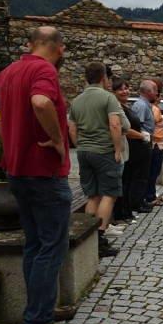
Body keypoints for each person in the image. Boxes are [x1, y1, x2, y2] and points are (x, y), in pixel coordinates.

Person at [0, 26, 76, 324]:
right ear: (60, 48)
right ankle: (38, 320)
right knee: (51, 246)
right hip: (43, 173)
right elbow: (41, 102)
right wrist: (57, 139)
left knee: (35, 244)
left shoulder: (11, 71)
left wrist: (6, 134)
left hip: (17, 171)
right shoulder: (44, 70)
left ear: (31, 44)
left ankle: (41, 308)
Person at [68, 62, 124, 257]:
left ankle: (89, 236)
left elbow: (72, 128)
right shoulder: (108, 98)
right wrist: (117, 149)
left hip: (84, 151)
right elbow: (115, 124)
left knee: (92, 195)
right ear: (103, 78)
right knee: (109, 194)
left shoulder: (77, 100)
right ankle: (99, 238)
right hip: (103, 150)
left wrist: (80, 146)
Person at [112, 78, 152, 222]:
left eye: (126, 88)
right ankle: (122, 213)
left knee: (130, 181)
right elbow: (125, 129)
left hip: (134, 149)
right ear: (114, 92)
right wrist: (142, 135)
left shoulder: (126, 106)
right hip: (128, 147)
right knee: (125, 182)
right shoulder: (117, 108)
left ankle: (127, 210)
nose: (125, 91)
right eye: (121, 89)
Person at [130, 80, 158, 210]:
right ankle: (137, 203)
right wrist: (145, 138)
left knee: (144, 174)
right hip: (141, 143)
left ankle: (140, 200)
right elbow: (138, 126)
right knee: (140, 174)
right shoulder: (141, 105)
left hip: (145, 142)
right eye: (155, 90)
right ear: (148, 91)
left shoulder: (145, 104)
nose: (157, 93)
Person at [146, 78, 163, 206]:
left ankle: (152, 194)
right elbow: (151, 126)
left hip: (158, 143)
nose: (160, 98)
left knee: (154, 172)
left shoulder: (154, 108)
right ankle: (150, 196)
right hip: (155, 144)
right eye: (158, 95)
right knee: (153, 172)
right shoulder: (154, 109)